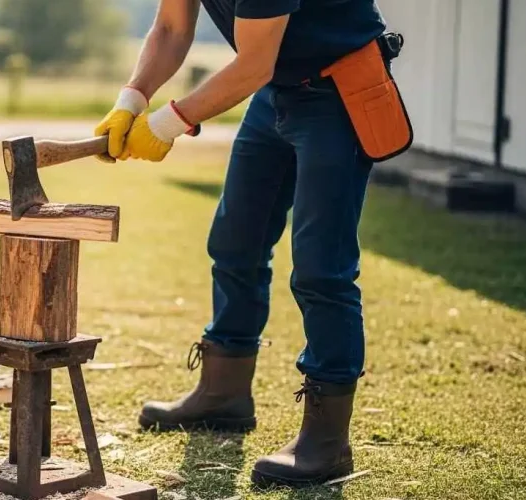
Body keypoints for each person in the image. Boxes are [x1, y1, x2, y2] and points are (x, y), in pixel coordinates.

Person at [95, 0, 411, 488]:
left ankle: (327, 440)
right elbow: (172, 27)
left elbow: (253, 62)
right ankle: (224, 394)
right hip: (277, 91)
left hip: (339, 90)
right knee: (235, 240)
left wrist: (166, 123)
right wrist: (131, 99)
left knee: (321, 268)